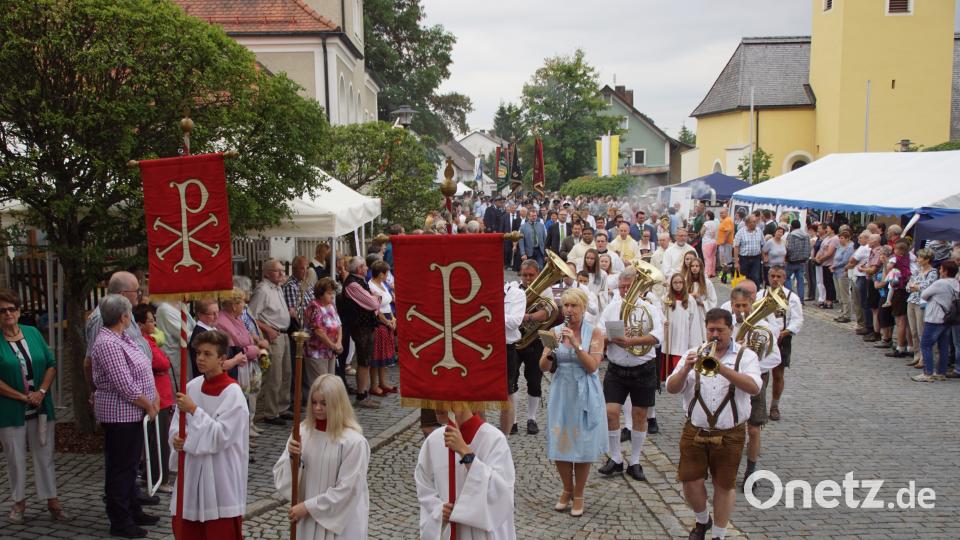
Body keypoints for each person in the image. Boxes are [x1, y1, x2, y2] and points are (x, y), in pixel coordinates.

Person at [666, 308, 761, 540]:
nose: (715, 335)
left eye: (720, 330)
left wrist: (722, 368)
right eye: (711, 330)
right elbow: (671, 388)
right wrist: (687, 367)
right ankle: (702, 520)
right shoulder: (693, 353)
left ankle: (719, 534)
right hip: (695, 429)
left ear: (731, 329)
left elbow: (754, 388)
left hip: (730, 433)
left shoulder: (746, 356)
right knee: (689, 481)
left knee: (724, 485)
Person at [90, 294, 159, 538]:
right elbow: (124, 384)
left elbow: (141, 368)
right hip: (121, 415)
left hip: (132, 413)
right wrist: (148, 405)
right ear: (123, 316)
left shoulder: (122, 338)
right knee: (121, 468)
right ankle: (120, 519)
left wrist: (154, 395)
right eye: (129, 313)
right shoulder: (108, 343)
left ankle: (133, 508)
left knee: (129, 467)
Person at [169, 330, 248, 539]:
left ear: (222, 359)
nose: (200, 358)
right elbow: (177, 424)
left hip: (221, 474)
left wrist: (195, 410)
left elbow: (221, 436)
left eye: (207, 354)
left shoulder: (233, 394)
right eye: (198, 353)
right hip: (192, 471)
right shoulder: (192, 387)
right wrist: (177, 439)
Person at [274, 374, 370, 539]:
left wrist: (308, 507)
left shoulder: (353, 442)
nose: (317, 408)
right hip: (307, 519)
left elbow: (349, 488)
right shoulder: (302, 432)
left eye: (324, 403)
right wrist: (292, 458)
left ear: (337, 404)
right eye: (314, 402)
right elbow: (283, 478)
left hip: (340, 523)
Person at [538, 287, 606, 517]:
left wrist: (576, 346)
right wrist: (551, 350)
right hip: (561, 390)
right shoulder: (555, 331)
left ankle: (579, 493)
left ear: (583, 308)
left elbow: (592, 366)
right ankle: (566, 489)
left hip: (585, 389)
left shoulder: (594, 333)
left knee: (583, 442)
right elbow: (543, 367)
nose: (569, 310)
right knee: (561, 440)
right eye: (566, 305)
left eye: (574, 306)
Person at [0, 289, 65, 523]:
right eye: (2, 310)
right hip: (10, 411)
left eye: (12, 309)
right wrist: (21, 396)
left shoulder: (33, 333)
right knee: (15, 458)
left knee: (45, 455)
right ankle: (18, 502)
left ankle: (52, 500)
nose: (8, 313)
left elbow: (50, 363)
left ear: (18, 311)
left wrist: (42, 391)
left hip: (41, 406)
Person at [597, 267, 663, 482]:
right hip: (616, 368)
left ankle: (634, 461)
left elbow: (657, 337)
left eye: (630, 286)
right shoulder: (611, 308)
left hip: (643, 367)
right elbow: (599, 335)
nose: (626, 290)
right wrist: (611, 339)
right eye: (623, 286)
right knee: (610, 412)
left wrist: (632, 341)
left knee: (639, 416)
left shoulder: (650, 309)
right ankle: (616, 458)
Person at [415, 405, 516, 539]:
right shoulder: (434, 440)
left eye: (443, 398)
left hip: (482, 534)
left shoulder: (493, 439)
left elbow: (501, 493)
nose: (436, 405)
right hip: (448, 530)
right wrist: (438, 510)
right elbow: (424, 485)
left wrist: (465, 453)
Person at [725, 287, 780, 495]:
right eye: (737, 306)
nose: (741, 310)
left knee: (754, 429)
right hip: (730, 379)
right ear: (732, 305)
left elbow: (776, 358)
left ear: (751, 304)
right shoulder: (727, 324)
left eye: (744, 306)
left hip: (755, 380)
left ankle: (751, 470)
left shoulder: (762, 326)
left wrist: (750, 358)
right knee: (729, 426)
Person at [133, 304, 175, 494]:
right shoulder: (144, 342)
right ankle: (160, 477)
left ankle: (153, 474)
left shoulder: (150, 340)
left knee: (155, 438)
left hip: (162, 392)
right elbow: (161, 362)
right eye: (150, 320)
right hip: (158, 395)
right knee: (158, 439)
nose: (154, 323)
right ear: (141, 324)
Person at [249, 259, 293, 424]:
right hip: (272, 336)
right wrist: (267, 329)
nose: (281, 274)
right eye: (277, 271)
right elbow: (251, 316)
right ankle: (271, 412)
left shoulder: (278, 287)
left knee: (286, 373)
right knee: (275, 375)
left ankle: (282, 407)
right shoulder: (262, 290)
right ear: (267, 273)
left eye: (282, 270)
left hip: (283, 333)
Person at [758, 266, 803, 421]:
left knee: (778, 373)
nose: (775, 279)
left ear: (784, 278)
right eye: (772, 276)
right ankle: (760, 404)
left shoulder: (792, 297)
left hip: (782, 338)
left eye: (778, 276)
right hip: (763, 337)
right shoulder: (761, 295)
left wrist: (785, 332)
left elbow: (797, 319)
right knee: (761, 373)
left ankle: (775, 406)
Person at [339, 257, 382, 409]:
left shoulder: (359, 282)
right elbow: (373, 303)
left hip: (366, 325)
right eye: (364, 267)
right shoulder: (353, 285)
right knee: (363, 361)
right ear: (359, 269)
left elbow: (375, 305)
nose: (366, 269)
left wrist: (375, 300)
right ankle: (361, 395)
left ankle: (363, 393)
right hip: (360, 327)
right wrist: (375, 299)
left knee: (366, 361)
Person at [516, 260, 549, 435]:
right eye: (525, 275)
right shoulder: (513, 289)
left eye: (531, 275)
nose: (528, 278)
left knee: (535, 380)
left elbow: (548, 312)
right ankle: (512, 420)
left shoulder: (546, 289)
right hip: (514, 340)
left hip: (535, 339)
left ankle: (532, 418)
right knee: (510, 380)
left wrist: (526, 316)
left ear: (537, 274)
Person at [912, 261, 960, 382]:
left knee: (926, 344)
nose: (939, 271)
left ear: (945, 271)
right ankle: (941, 372)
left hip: (935, 318)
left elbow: (924, 294)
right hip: (948, 318)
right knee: (943, 346)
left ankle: (928, 373)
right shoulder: (956, 283)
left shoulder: (940, 283)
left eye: (941, 269)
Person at [500, 280, 527, 435]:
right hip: (483, 346)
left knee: (507, 395)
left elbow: (515, 322)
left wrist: (491, 311)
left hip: (506, 348)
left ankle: (503, 439)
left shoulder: (517, 294)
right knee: (479, 397)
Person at [367, 260, 397, 396]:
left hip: (388, 319)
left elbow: (387, 304)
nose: (388, 275)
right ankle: (373, 385)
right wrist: (387, 322)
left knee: (384, 354)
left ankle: (383, 382)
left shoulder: (383, 284)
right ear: (380, 274)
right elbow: (376, 309)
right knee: (376, 355)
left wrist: (393, 319)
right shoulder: (371, 286)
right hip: (379, 322)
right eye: (386, 273)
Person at [304, 277, 343, 381]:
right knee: (320, 384)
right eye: (329, 293)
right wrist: (333, 345)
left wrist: (338, 343)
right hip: (317, 352)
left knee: (330, 383)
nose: (332, 296)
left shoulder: (331, 305)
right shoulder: (314, 307)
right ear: (321, 294)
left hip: (330, 351)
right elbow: (318, 331)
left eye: (333, 293)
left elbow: (339, 325)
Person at [662, 274, 698, 384]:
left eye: (680, 283)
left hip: (683, 331)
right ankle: (665, 376)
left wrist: (693, 340)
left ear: (684, 284)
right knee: (668, 349)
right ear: (671, 285)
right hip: (670, 330)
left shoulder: (690, 300)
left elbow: (694, 318)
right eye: (675, 283)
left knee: (679, 350)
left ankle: (680, 377)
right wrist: (664, 321)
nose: (678, 285)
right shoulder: (665, 298)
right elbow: (660, 313)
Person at [905, 249, 938, 369]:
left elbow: (928, 286)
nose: (918, 260)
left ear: (927, 260)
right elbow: (909, 284)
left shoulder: (933, 272)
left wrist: (916, 287)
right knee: (913, 330)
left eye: (920, 258)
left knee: (921, 331)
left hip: (922, 303)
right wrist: (911, 287)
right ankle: (916, 354)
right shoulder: (917, 271)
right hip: (911, 300)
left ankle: (924, 357)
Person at [685, 257, 717, 346]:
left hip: (701, 312)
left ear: (700, 268)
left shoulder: (707, 283)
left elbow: (713, 300)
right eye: (692, 266)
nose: (694, 268)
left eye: (697, 266)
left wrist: (701, 302)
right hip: (689, 312)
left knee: (702, 336)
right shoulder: (685, 282)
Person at [831, 230, 856, 324]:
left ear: (847, 238)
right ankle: (843, 312)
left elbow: (845, 260)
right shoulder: (839, 247)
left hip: (842, 272)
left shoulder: (849, 248)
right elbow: (835, 258)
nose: (840, 240)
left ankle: (847, 314)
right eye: (839, 238)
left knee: (845, 294)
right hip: (836, 272)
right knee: (839, 294)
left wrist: (834, 266)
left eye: (842, 238)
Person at [733, 215, 764, 285]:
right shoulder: (740, 232)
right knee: (743, 277)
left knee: (755, 277)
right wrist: (736, 262)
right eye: (754, 221)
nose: (756, 223)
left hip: (756, 258)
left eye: (756, 221)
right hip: (744, 259)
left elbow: (762, 244)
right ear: (747, 223)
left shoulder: (759, 231)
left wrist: (763, 256)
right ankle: (744, 293)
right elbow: (736, 247)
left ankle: (756, 293)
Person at [716, 208, 736, 282]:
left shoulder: (727, 220)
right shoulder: (724, 220)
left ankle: (725, 278)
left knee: (726, 262)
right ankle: (722, 277)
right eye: (720, 213)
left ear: (727, 213)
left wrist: (724, 240)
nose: (721, 214)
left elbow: (728, 231)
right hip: (723, 244)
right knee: (724, 262)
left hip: (726, 244)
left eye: (722, 213)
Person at [701, 211, 718, 278]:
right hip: (714, 242)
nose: (705, 217)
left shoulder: (706, 223)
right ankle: (713, 272)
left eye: (705, 216)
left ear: (708, 216)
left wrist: (701, 235)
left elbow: (702, 232)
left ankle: (707, 273)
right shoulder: (716, 223)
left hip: (706, 242)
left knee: (707, 258)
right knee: (713, 257)